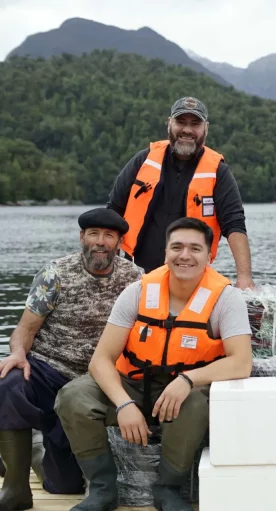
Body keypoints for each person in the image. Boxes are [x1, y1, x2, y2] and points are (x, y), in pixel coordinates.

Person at [55, 217, 253, 511]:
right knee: (73, 397)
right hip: (134, 382)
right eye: (177, 247)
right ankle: (102, 489)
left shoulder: (226, 299)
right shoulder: (138, 291)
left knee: (194, 404)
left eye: (195, 249)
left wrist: (187, 380)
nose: (184, 255)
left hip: (187, 390)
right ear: (165, 253)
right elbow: (101, 360)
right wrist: (123, 404)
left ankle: (169, 489)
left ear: (210, 255)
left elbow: (241, 362)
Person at [0, 208, 142, 510]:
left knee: (63, 485)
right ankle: (15, 488)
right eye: (93, 234)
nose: (100, 242)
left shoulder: (136, 280)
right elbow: (24, 329)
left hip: (94, 383)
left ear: (119, 242)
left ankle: (34, 447)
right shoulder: (56, 274)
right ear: (82, 238)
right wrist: (17, 354)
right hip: (49, 369)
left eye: (108, 236)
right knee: (9, 383)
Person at [107, 96, 255, 289]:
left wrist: (244, 278)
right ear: (169, 124)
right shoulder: (143, 160)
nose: (187, 130)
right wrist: (111, 268)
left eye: (195, 123)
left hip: (191, 277)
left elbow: (234, 224)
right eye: (180, 122)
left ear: (206, 129)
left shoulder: (218, 171)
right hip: (137, 275)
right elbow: (113, 212)